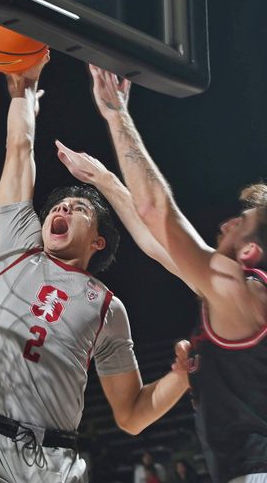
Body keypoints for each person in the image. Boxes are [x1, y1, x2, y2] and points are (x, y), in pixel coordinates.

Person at [0, 56, 190, 483]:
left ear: (98, 242)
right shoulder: (18, 242)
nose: (62, 207)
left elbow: (132, 414)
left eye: (78, 209)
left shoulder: (107, 309)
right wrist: (23, 91)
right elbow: (19, 149)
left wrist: (179, 377)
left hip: (56, 463)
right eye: (59, 205)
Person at [55, 64, 267, 483]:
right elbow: (158, 243)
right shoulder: (237, 295)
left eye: (238, 223)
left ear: (250, 249)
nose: (225, 224)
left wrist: (117, 115)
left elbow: (158, 212)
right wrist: (105, 180)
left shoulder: (238, 294)